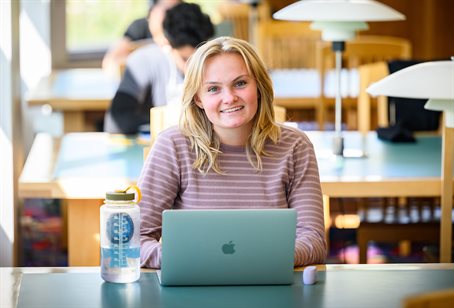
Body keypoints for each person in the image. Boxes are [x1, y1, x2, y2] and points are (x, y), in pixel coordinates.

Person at [139, 36, 327, 269]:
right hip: (195, 285)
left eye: (240, 83)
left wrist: (261, 261)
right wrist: (183, 260)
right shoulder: (173, 146)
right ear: (198, 98)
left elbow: (314, 240)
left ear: (258, 86)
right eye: (213, 89)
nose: (229, 98)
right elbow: (135, 240)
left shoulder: (295, 146)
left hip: (268, 288)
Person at [104, 2, 214, 134]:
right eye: (185, 59)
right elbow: (117, 121)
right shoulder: (145, 61)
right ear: (166, 44)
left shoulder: (215, 61)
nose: (191, 67)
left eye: (198, 58)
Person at [101, 0, 181, 76]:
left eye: (178, 10)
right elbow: (110, 62)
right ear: (153, 11)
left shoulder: (185, 28)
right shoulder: (139, 27)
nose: (174, 16)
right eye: (168, 11)